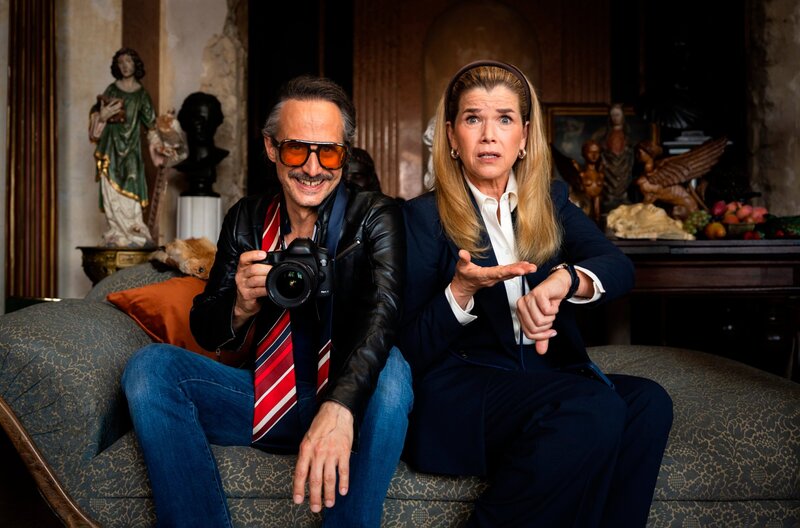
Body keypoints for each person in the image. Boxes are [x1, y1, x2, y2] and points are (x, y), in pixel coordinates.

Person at [121, 75, 412, 528]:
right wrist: (239, 304)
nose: (312, 168)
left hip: (347, 402)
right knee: (151, 367)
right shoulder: (246, 218)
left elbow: (384, 315)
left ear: (345, 154)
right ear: (271, 148)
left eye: (328, 152)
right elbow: (205, 329)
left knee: (392, 369)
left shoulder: (374, 215)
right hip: (265, 398)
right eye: (296, 149)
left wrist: (339, 408)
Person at [398, 60, 673, 527]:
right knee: (591, 406)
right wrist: (460, 290)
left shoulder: (550, 201)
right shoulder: (420, 217)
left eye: (505, 119)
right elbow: (409, 348)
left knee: (648, 403)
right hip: (463, 390)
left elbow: (618, 267)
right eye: (473, 118)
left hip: (540, 378)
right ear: (451, 136)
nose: (489, 135)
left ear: (524, 136)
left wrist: (565, 279)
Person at [89, 47, 164, 248]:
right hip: (110, 148)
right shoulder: (111, 90)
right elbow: (98, 117)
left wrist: (158, 147)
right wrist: (102, 117)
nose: (124, 66)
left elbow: (151, 126)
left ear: (135, 64)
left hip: (131, 150)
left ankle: (133, 231)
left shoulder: (142, 95)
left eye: (128, 61)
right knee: (110, 190)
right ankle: (116, 231)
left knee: (132, 184)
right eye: (120, 62)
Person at [174, 91, 230, 196]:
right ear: (185, 122)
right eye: (198, 119)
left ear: (216, 123)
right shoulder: (183, 164)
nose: (203, 125)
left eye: (209, 120)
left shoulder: (216, 157)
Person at [592, 102, 635, 212]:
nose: (615, 118)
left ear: (623, 116)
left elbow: (631, 148)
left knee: (624, 181)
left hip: (624, 164)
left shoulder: (627, 133)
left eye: (618, 115)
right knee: (609, 184)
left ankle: (622, 197)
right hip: (609, 163)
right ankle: (610, 198)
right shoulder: (605, 133)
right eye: (613, 115)